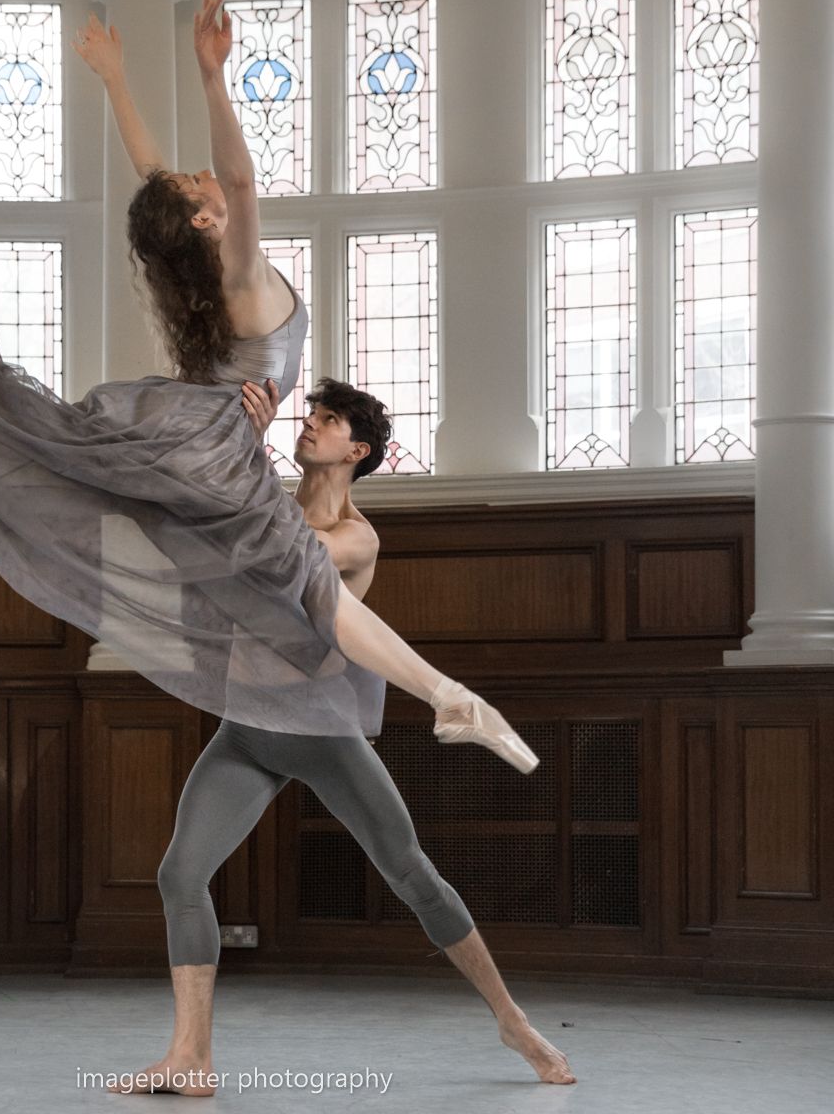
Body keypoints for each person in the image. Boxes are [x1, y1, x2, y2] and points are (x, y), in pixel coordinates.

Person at [0, 0, 536, 785]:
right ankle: (446, 696)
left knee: (44, 435)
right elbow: (238, 183)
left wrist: (117, 81)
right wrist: (211, 76)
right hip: (213, 449)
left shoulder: (203, 278)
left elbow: (155, 178)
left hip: (178, 434)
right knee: (316, 590)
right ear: (207, 221)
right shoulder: (242, 276)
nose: (200, 177)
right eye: (198, 187)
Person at [110, 378, 574, 1095]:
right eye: (311, 414)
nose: (311, 425)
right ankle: (190, 1056)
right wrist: (241, 453)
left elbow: (284, 560)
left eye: (326, 421)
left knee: (414, 876)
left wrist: (247, 458)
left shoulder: (356, 537)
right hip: (245, 731)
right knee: (180, 875)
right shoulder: (265, 507)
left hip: (320, 733)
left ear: (356, 450)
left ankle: (513, 1021)